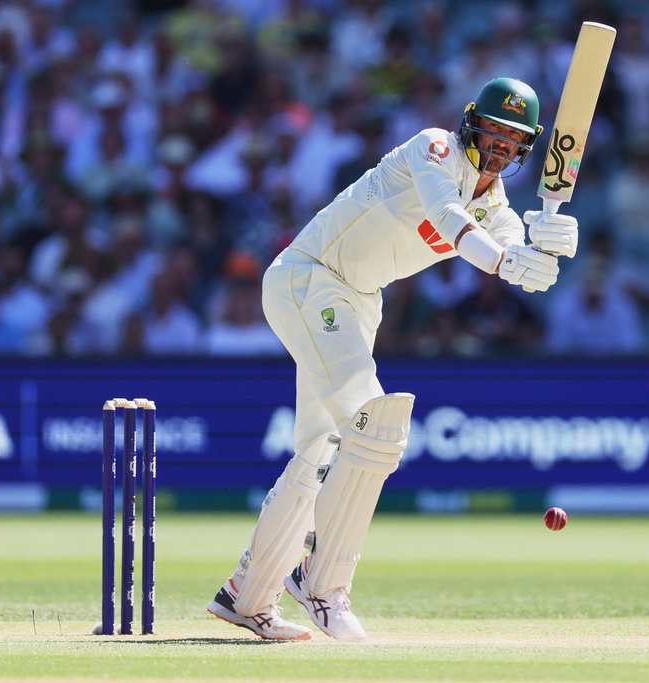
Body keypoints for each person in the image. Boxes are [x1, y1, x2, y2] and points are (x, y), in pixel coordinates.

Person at [206, 78, 575, 642]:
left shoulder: (496, 205)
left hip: (359, 299)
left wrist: (547, 248)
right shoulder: (432, 148)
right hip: (311, 277)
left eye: (513, 138)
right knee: (374, 424)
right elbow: (452, 220)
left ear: (525, 148)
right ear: (471, 123)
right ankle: (320, 583)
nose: (500, 144)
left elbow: (514, 251)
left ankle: (247, 595)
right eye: (494, 130)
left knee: (319, 447)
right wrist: (506, 263)